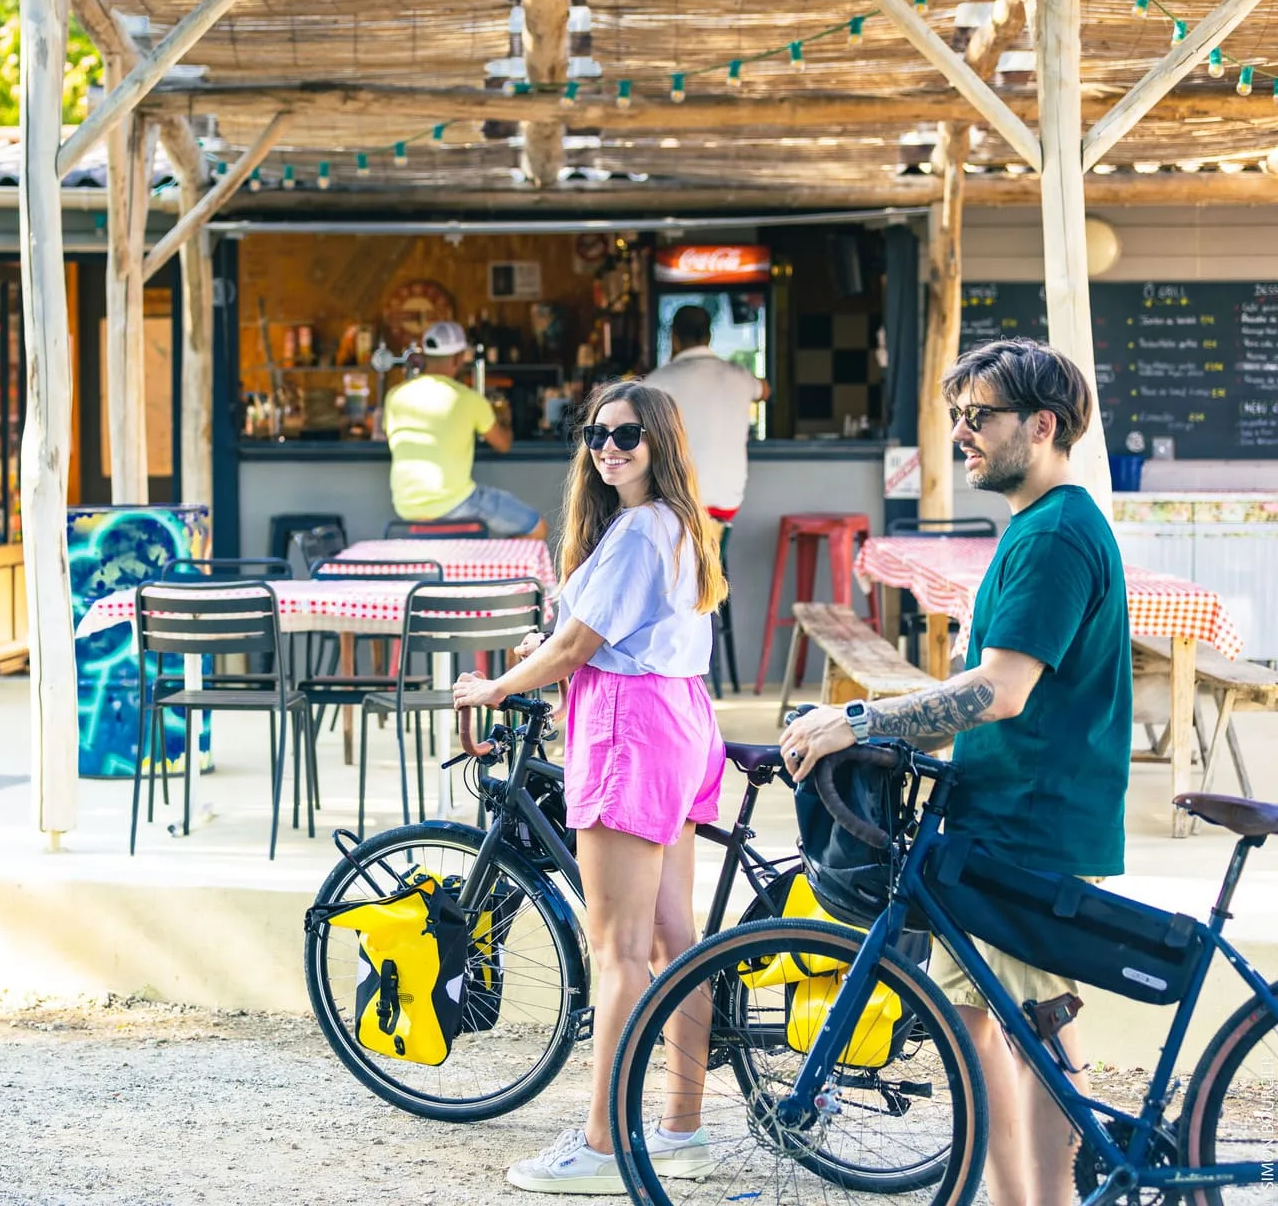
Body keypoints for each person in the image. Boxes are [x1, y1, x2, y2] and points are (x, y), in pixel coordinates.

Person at [778, 337, 1129, 1206]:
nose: (963, 433)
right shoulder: (1043, 525)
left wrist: (859, 717)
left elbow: (1000, 690)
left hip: (1025, 820)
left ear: (1042, 425)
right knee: (995, 1030)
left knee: (1028, 1038)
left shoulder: (1053, 535)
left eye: (980, 417)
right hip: (1007, 814)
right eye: (957, 416)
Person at [452, 381, 726, 1194]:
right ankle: (680, 1130)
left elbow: (575, 646)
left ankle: (604, 1145)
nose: (609, 446)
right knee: (676, 941)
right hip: (680, 719)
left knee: (618, 951)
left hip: (627, 727)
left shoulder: (640, 530)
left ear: (661, 441)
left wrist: (496, 687)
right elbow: (591, 633)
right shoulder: (679, 524)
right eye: (598, 433)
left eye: (628, 434)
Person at [383, 320, 547, 540]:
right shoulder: (469, 399)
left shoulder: (395, 395)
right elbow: (503, 444)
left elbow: (388, 434)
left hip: (405, 507)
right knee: (535, 527)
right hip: (456, 504)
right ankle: (496, 567)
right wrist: (505, 420)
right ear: (458, 358)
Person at [644, 304, 768, 522]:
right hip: (726, 502)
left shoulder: (657, 381)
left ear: (673, 337)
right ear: (709, 336)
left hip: (676, 501)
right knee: (712, 553)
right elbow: (765, 390)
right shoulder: (738, 375)